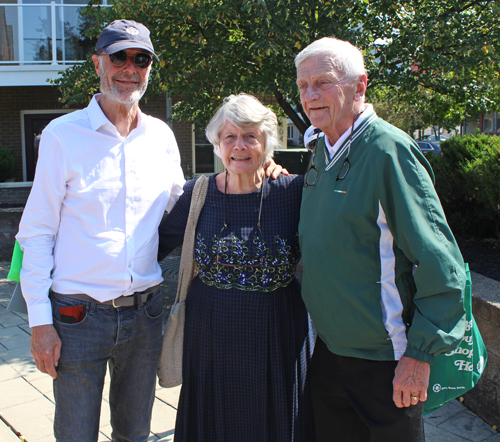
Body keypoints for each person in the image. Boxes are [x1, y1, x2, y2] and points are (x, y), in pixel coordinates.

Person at [16, 19, 186, 442]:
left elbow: (185, 207)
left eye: (141, 59)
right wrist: (40, 324)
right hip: (77, 316)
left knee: (135, 434)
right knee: (75, 435)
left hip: (145, 314)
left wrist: (259, 175)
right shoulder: (62, 135)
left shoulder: (161, 137)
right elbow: (36, 232)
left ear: (150, 68)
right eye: (119, 57)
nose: (130, 68)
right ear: (97, 63)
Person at [295, 37, 466, 441]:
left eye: (323, 82)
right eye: (303, 86)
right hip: (329, 352)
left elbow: (441, 262)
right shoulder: (322, 148)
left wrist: (420, 356)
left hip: (385, 361)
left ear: (360, 86)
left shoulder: (389, 151)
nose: (310, 95)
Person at [158, 93, 315, 442]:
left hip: (278, 335)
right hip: (211, 335)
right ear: (217, 143)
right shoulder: (197, 194)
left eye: (250, 136)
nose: (239, 146)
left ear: (267, 143)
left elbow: (333, 250)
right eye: (230, 136)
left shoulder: (293, 192)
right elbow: (151, 246)